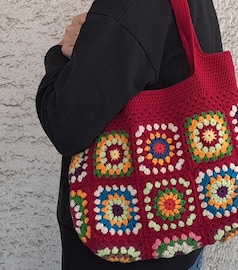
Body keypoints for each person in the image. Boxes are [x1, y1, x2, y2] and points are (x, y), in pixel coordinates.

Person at [36, 0, 223, 269]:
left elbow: (65, 126)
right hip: (184, 239)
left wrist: (60, 56)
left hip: (122, 251)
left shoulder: (126, 7)